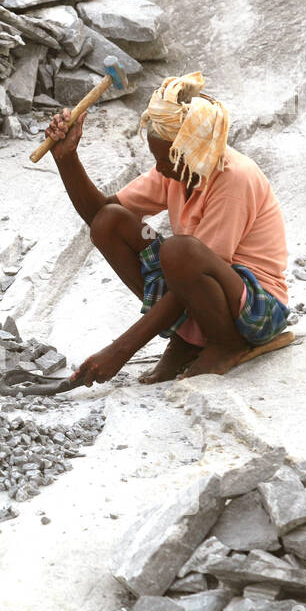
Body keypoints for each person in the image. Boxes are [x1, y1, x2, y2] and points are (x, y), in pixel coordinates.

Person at [44, 70, 289, 384]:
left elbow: (193, 264)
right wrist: (67, 159)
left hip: (257, 308)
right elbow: (102, 214)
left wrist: (121, 350)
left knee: (180, 251)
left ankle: (225, 344)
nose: (158, 168)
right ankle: (189, 339)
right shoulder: (176, 169)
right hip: (204, 292)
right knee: (111, 222)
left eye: (166, 160)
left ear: (192, 152)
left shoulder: (234, 180)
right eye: (156, 158)